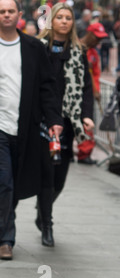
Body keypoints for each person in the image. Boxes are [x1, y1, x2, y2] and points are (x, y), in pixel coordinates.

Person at [0, 0, 63, 260]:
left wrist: (54, 119)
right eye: (2, 11)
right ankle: (5, 239)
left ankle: (8, 212)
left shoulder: (33, 48)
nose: (7, 15)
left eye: (11, 11)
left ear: (19, 15)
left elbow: (47, 86)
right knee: (3, 181)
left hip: (27, 127)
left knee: (16, 183)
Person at [36, 2, 94, 246]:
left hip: (69, 122)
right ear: (52, 20)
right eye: (59, 17)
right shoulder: (38, 48)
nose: (63, 21)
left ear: (72, 22)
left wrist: (87, 115)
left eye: (68, 18)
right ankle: (47, 225)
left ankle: (43, 208)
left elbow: (87, 87)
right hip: (44, 122)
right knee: (47, 174)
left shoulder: (79, 50)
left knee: (59, 178)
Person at [76, 22, 108, 165]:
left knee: (87, 123)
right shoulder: (76, 47)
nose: (99, 41)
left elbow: (95, 74)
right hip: (73, 92)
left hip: (86, 95)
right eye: (97, 38)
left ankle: (84, 153)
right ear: (90, 34)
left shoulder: (94, 54)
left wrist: (97, 91)